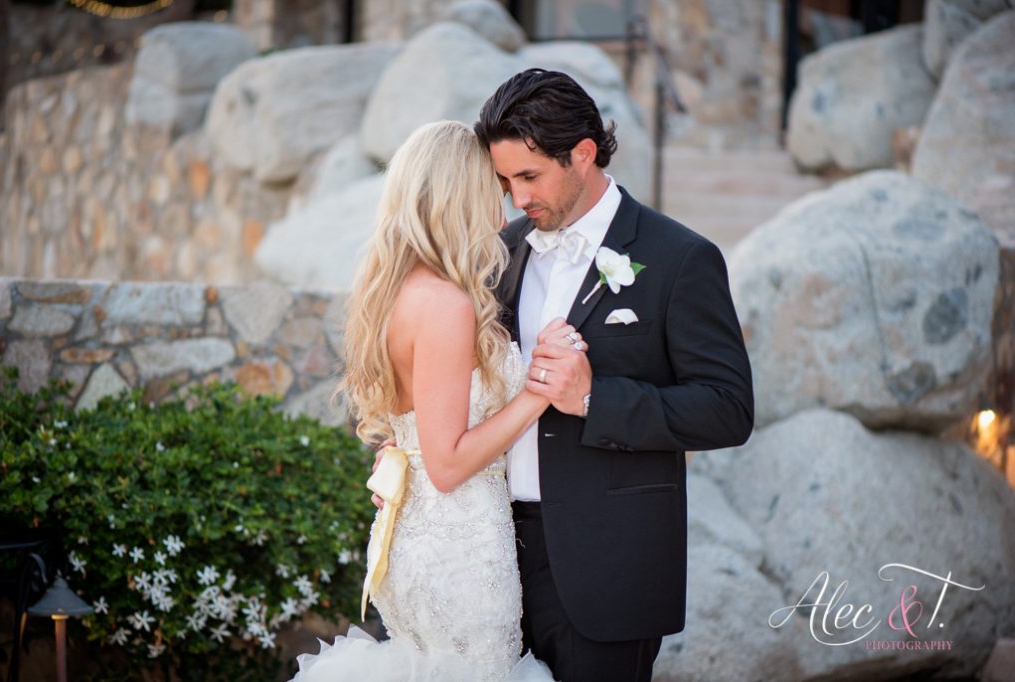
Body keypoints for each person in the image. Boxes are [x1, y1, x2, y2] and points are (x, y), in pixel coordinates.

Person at [468, 69, 755, 682]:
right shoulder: (502, 251)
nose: (516, 198)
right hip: (490, 563)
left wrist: (594, 399)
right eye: (504, 180)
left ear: (582, 153)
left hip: (610, 566)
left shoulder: (681, 258)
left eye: (529, 176)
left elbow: (728, 409)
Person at [290, 120, 560, 681]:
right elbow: (448, 464)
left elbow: (418, 434)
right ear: (460, 197)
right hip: (459, 549)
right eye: (492, 192)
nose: (503, 212)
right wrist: (537, 393)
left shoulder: (399, 292)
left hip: (417, 533)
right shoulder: (445, 304)